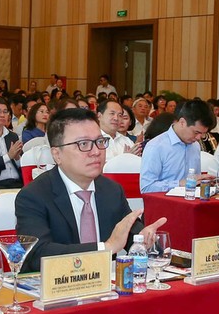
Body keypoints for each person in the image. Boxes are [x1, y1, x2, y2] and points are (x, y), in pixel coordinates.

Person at [15, 108, 166, 271]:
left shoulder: (112, 190)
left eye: (100, 142)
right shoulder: (33, 195)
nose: (96, 152)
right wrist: (105, 248)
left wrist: (145, 240)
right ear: (57, 154)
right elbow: (37, 255)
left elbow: (130, 233)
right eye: (83, 144)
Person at [140, 100, 216, 193]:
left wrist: (202, 183)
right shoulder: (156, 146)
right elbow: (146, 188)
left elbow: (194, 181)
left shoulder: (195, 145)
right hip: (164, 201)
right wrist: (179, 184)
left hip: (190, 199)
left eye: (203, 134)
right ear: (182, 122)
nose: (199, 138)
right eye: (196, 132)